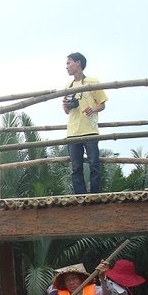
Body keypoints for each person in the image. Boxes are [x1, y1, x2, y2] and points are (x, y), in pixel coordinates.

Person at [63, 52, 108, 194]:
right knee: (76, 167)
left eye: (69, 63)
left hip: (90, 129)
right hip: (73, 131)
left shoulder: (93, 82)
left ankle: (94, 195)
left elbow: (102, 104)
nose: (67, 67)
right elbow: (66, 110)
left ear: (78, 63)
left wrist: (92, 109)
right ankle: (80, 196)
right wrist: (67, 106)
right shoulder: (68, 85)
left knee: (94, 164)